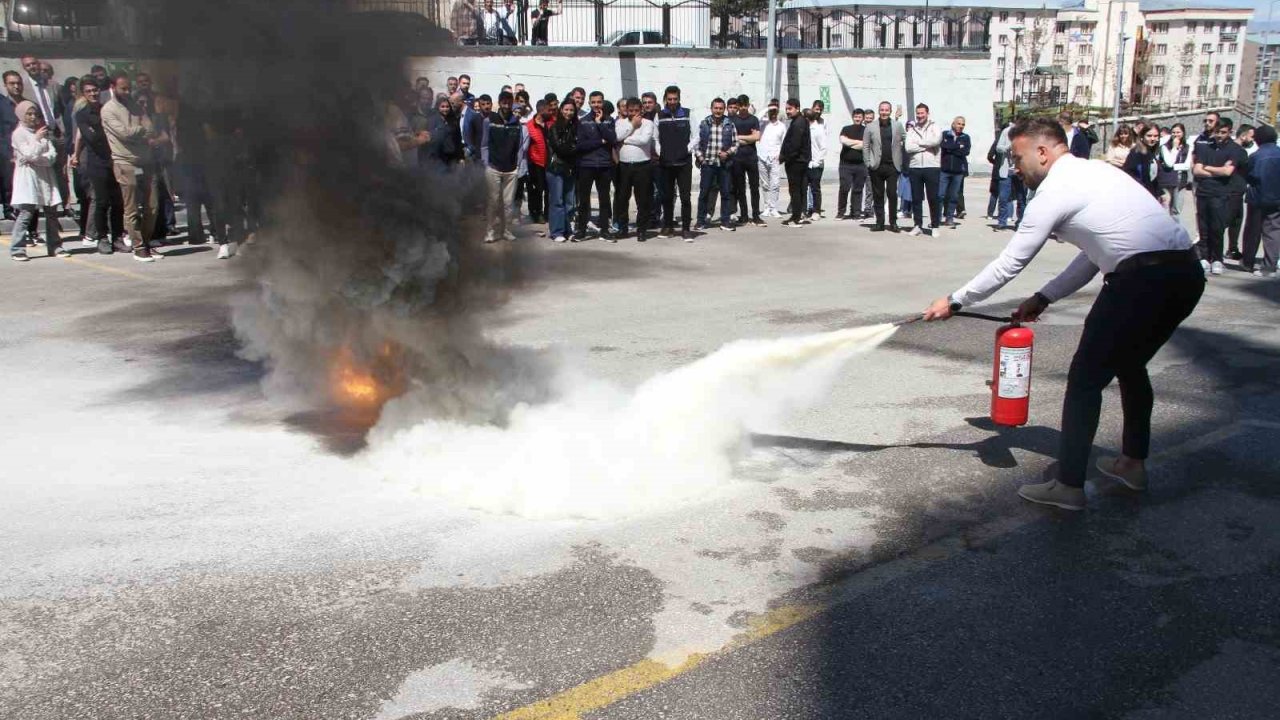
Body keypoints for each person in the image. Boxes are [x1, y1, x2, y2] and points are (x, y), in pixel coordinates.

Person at [922, 117, 1203, 511]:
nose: (1014, 168)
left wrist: (955, 300)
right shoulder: (1098, 173)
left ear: (1043, 151)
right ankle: (1131, 464)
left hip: (1140, 283)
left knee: (1086, 379)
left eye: (1017, 158)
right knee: (1131, 364)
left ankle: (1069, 485)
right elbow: (1095, 253)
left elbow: (1010, 263)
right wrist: (1045, 296)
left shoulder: (1053, 191)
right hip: (1185, 275)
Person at [101, 75, 162, 262]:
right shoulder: (108, 110)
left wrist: (139, 130)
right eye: (123, 89)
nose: (127, 92)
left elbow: (151, 128)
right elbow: (124, 134)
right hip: (125, 162)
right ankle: (138, 246)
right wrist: (140, 130)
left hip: (145, 161)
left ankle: (146, 240)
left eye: (129, 88)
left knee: (152, 205)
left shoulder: (136, 106)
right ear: (113, 87)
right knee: (132, 208)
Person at [8, 100, 65, 261]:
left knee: (51, 212)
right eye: (29, 114)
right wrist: (37, 141)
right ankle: (17, 248)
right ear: (21, 115)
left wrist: (38, 157)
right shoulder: (19, 133)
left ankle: (55, 245)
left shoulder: (42, 132)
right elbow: (29, 154)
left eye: (36, 114)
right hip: (28, 177)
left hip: (45, 176)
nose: (33, 117)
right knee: (26, 213)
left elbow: (52, 156)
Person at [1192, 117, 1247, 276]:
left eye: (1223, 132)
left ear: (1230, 132)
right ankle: (1204, 256)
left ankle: (1217, 259)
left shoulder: (1234, 150)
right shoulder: (1205, 147)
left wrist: (1207, 168)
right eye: (1217, 132)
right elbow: (1196, 170)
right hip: (1203, 192)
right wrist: (1216, 170)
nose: (1219, 135)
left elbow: (1227, 172)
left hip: (1221, 193)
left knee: (1217, 227)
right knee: (1203, 227)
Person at [480, 90, 524, 243]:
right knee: (493, 201)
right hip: (493, 168)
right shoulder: (489, 120)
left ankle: (506, 231)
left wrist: (517, 165)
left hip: (511, 170)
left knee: (508, 203)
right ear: (499, 103)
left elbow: (519, 147)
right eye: (504, 101)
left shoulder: (516, 123)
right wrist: (486, 163)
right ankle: (490, 231)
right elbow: (484, 145)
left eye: (509, 102)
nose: (506, 104)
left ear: (512, 103)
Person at [654, 85, 696, 241]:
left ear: (679, 99)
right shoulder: (659, 115)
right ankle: (668, 227)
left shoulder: (687, 113)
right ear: (665, 98)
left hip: (684, 163)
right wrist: (661, 153)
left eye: (675, 99)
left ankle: (686, 229)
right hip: (666, 163)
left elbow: (696, 136)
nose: (672, 102)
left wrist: (687, 150)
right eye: (669, 99)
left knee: (685, 197)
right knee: (667, 196)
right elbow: (655, 138)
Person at [574, 90, 616, 241]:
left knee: (604, 199)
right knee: (584, 200)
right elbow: (581, 145)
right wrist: (600, 142)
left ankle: (604, 230)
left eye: (599, 102)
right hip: (587, 165)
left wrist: (600, 124)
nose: (596, 105)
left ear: (603, 102)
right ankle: (581, 230)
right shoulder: (583, 121)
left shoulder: (609, 120)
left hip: (604, 165)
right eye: (593, 102)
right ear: (589, 103)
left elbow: (612, 139)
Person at [614, 97, 655, 241]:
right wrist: (632, 125)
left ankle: (641, 230)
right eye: (630, 111)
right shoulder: (620, 122)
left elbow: (644, 140)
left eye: (636, 110)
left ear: (641, 110)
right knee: (622, 198)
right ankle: (623, 228)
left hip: (643, 165)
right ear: (626, 110)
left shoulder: (648, 123)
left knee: (642, 199)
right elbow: (617, 136)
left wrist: (626, 140)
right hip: (624, 165)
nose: (633, 113)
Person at [1241, 124, 1280, 277]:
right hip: (1277, 198)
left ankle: (1248, 262)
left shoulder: (1256, 156)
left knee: (1253, 231)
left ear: (1258, 140)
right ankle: (1269, 266)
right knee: (1273, 231)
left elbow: (1248, 175)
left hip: (1257, 197)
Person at [694, 97, 737, 232]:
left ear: (723, 109)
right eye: (715, 108)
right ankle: (700, 221)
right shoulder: (704, 123)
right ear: (711, 108)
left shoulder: (730, 124)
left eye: (720, 108)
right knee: (704, 193)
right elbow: (696, 143)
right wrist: (701, 159)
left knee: (725, 194)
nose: (718, 111)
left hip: (724, 164)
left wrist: (728, 153)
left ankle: (725, 221)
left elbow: (736, 143)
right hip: (708, 164)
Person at [863, 100, 904, 232]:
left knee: (892, 193)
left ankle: (893, 222)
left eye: (886, 110)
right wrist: (868, 163)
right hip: (877, 166)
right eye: (882, 110)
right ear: (879, 111)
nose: (884, 112)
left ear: (890, 111)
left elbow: (906, 138)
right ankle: (879, 222)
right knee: (878, 194)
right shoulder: (870, 126)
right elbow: (866, 146)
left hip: (893, 166)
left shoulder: (897, 125)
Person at [903, 102, 941, 235]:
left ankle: (935, 226)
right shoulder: (912, 130)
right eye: (918, 113)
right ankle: (917, 225)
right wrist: (926, 145)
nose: (919, 116)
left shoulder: (934, 126)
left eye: (922, 113)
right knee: (916, 198)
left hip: (932, 166)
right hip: (915, 167)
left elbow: (936, 141)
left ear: (927, 113)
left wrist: (918, 143)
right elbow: (908, 148)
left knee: (933, 197)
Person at [546, 98, 579, 243]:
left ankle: (568, 230)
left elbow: (581, 144)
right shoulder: (554, 127)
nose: (569, 112)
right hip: (556, 168)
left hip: (571, 168)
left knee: (569, 202)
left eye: (571, 110)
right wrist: (575, 148)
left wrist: (575, 148)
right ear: (561, 110)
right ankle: (557, 231)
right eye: (566, 109)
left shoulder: (576, 127)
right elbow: (559, 148)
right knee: (557, 201)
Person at [728, 94, 763, 227]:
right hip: (737, 158)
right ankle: (744, 215)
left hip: (751, 158)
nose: (742, 108)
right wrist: (749, 137)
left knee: (755, 187)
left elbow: (757, 137)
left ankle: (756, 216)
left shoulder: (753, 119)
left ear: (748, 105)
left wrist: (740, 137)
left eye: (745, 105)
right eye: (740, 106)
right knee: (740, 188)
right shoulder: (732, 120)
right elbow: (732, 138)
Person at [779, 98, 811, 228]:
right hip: (799, 160)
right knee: (798, 189)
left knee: (795, 189)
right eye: (786, 109)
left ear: (797, 108)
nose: (787, 111)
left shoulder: (799, 123)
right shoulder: (797, 121)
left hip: (796, 162)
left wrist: (784, 157)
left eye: (790, 109)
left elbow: (795, 145)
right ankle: (797, 215)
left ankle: (796, 217)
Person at [1226, 123, 1256, 260]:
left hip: (1236, 190)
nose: (1252, 140)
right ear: (1243, 136)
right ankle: (1219, 251)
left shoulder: (1229, 148)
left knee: (1236, 222)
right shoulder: (1239, 151)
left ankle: (1232, 248)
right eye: (1251, 137)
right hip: (1233, 191)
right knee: (1229, 221)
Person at [523, 98, 554, 224]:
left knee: (549, 190)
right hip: (535, 163)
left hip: (550, 163)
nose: (551, 112)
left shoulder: (551, 123)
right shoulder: (529, 126)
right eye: (548, 110)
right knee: (535, 190)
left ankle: (547, 213)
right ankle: (536, 213)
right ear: (541, 110)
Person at [0, 71, 26, 220]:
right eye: (12, 83)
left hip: (25, 151)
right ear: (5, 85)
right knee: (8, 181)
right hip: (6, 150)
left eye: (18, 83)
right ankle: (8, 208)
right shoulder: (2, 104)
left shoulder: (26, 104)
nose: (16, 86)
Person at [836, 108, 867, 220]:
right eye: (856, 116)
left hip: (861, 165)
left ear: (863, 118)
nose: (857, 119)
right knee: (844, 188)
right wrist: (859, 143)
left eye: (859, 117)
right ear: (853, 117)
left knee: (858, 190)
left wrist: (851, 143)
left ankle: (856, 213)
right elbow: (843, 140)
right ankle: (840, 212)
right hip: (845, 164)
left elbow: (866, 145)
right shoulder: (846, 129)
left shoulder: (866, 130)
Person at [939, 116, 970, 228]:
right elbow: (943, 146)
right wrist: (957, 146)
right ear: (953, 124)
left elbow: (965, 151)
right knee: (940, 195)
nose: (961, 126)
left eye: (963, 124)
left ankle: (949, 218)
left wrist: (951, 148)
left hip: (958, 172)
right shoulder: (945, 134)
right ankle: (937, 218)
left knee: (953, 196)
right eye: (959, 123)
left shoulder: (966, 137)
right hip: (944, 170)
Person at [757, 99, 785, 219]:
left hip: (774, 158)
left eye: (775, 109)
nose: (773, 112)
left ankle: (774, 208)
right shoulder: (762, 123)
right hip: (762, 156)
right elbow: (757, 117)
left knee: (775, 184)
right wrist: (768, 108)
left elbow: (784, 142)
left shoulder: (782, 126)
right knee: (764, 184)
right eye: (771, 109)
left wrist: (780, 155)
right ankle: (766, 207)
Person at [1157, 123, 1190, 216]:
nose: (1176, 135)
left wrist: (1172, 166)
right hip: (1168, 179)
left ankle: (1176, 229)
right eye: (1173, 132)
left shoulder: (1187, 147)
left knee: (1176, 209)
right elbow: (1169, 162)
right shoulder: (1165, 147)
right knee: (1165, 207)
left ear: (1183, 133)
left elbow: (1187, 165)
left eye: (1178, 132)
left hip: (1181, 179)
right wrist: (1174, 148)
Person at [424, 95, 464, 169]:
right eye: (442, 107)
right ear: (438, 107)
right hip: (437, 159)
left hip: (452, 159)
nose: (445, 109)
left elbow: (458, 141)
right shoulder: (432, 121)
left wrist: (461, 157)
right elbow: (428, 142)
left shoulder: (453, 121)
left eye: (447, 106)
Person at [1122, 125, 1161, 198]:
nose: (1153, 139)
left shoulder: (1151, 152)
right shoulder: (1136, 153)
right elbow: (1129, 174)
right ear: (1142, 137)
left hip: (1151, 194)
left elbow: (1153, 176)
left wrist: (1160, 192)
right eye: (1149, 136)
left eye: (1156, 136)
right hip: (1140, 194)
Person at [805, 100, 827, 220]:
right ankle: (805, 210)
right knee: (803, 187)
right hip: (805, 162)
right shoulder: (804, 128)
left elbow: (823, 147)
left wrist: (816, 162)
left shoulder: (819, 128)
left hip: (815, 163)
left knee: (815, 187)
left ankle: (816, 210)